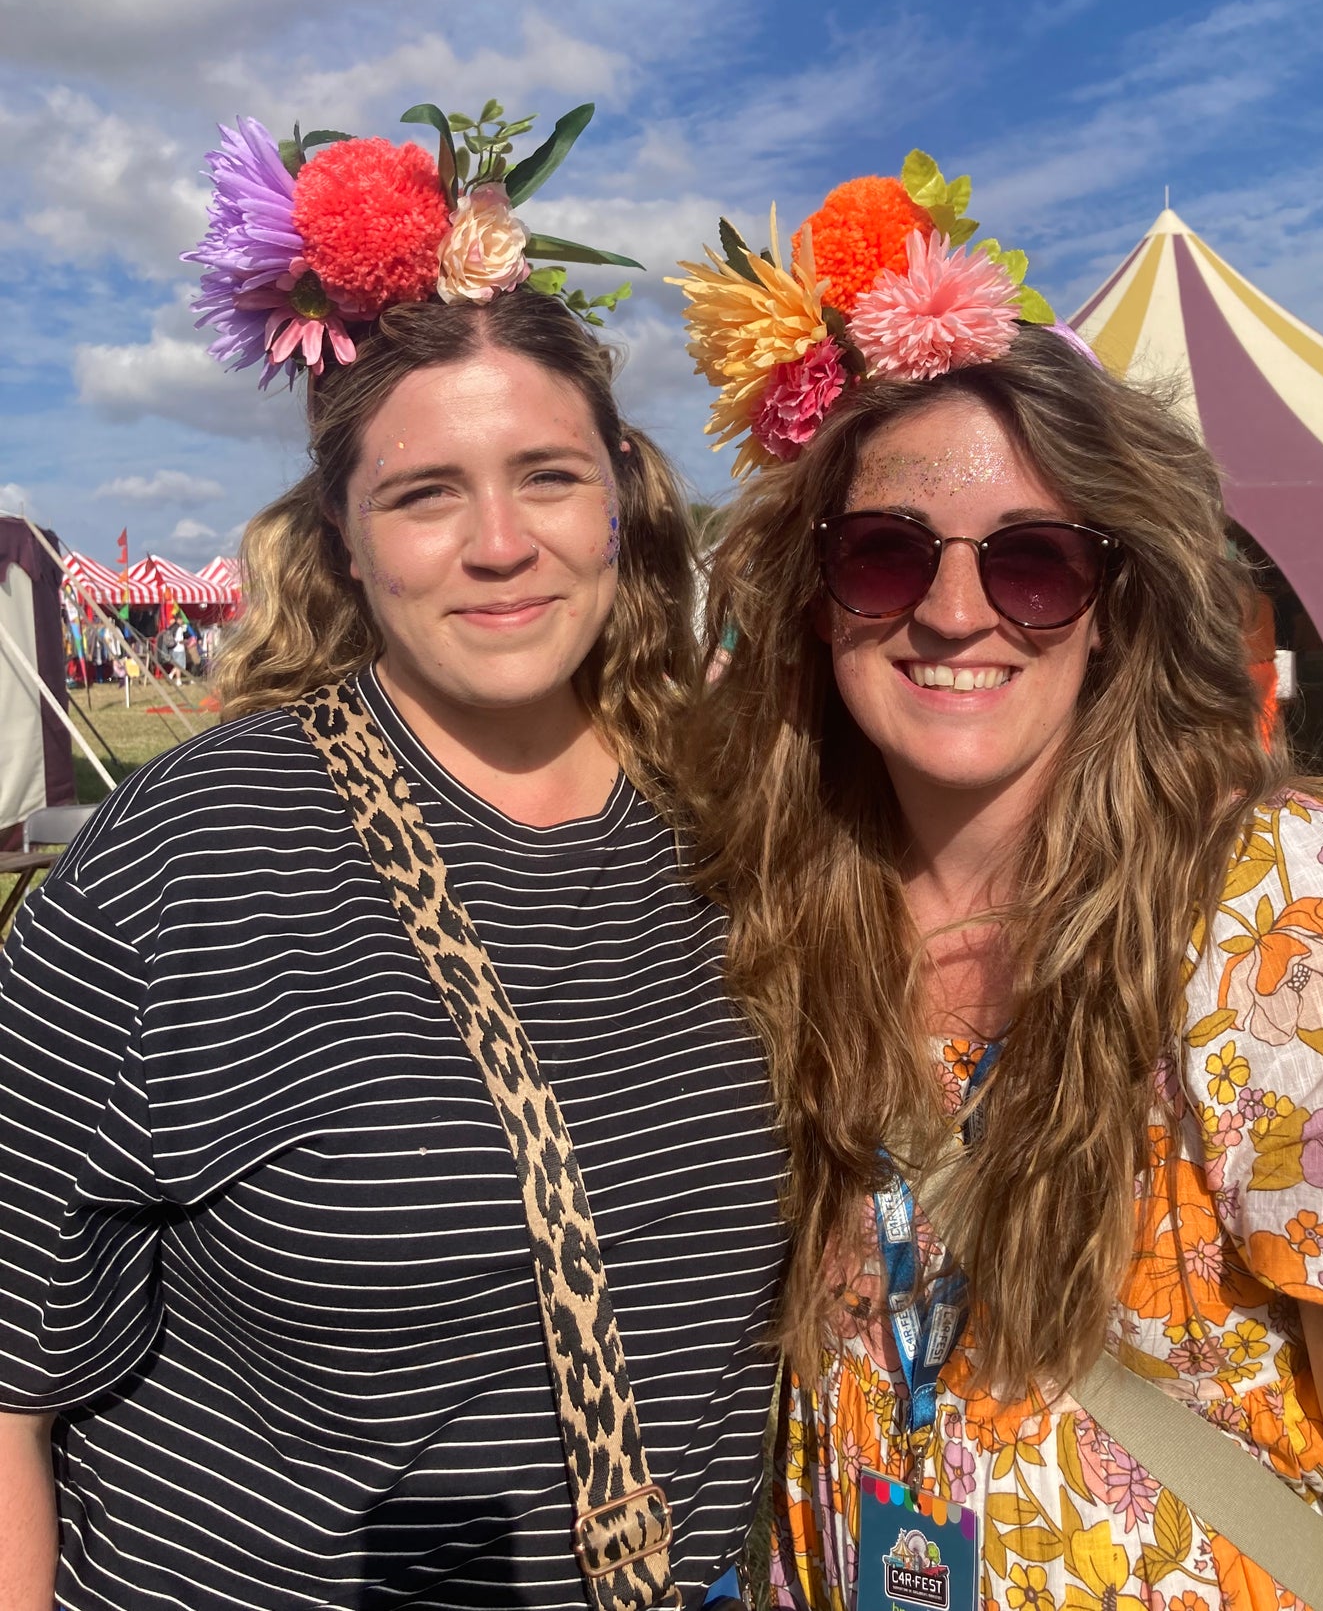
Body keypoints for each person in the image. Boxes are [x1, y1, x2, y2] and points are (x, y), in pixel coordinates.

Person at [0, 103, 784, 1610]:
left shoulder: (732, 831)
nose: (499, 542)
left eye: (547, 477)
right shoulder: (193, 859)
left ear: (619, 499)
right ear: (346, 540)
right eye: (426, 495)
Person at [673, 161, 1323, 1610]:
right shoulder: (771, 904)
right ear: (812, 596)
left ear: (1117, 608)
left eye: (1032, 565)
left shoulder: (1281, 907)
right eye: (883, 554)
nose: (954, 610)